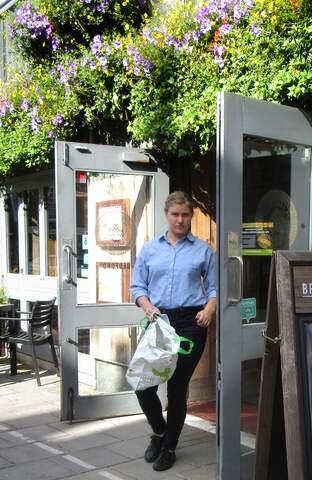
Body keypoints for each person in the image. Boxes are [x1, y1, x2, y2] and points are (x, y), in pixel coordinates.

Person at [130, 190, 216, 472]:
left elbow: (215, 287)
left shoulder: (203, 250)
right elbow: (137, 287)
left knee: (178, 387)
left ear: (191, 216)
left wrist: (210, 308)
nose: (180, 220)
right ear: (167, 215)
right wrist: (147, 307)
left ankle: (168, 447)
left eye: (185, 215)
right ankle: (160, 431)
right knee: (144, 385)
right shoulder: (150, 249)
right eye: (175, 214)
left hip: (191, 324)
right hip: (159, 322)